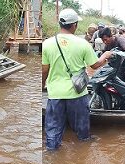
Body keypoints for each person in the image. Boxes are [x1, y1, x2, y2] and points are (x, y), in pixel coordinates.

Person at [42, 8, 111, 151]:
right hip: (78, 94)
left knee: (53, 133)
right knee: (83, 132)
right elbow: (95, 65)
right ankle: (82, 157)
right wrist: (105, 56)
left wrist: (42, 85)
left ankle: (52, 158)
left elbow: (44, 70)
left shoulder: (47, 44)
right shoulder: (82, 44)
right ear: (74, 25)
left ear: (60, 24)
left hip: (55, 94)